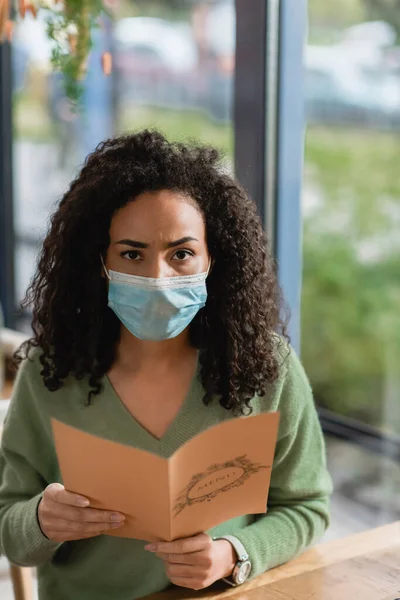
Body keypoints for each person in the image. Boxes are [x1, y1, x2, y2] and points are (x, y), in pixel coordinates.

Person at [0, 130, 332, 599]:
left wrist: (234, 553)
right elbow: (9, 529)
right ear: (100, 261)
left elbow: (308, 507)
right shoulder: (49, 373)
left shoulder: (268, 368)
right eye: (132, 254)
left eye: (181, 253)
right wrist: (40, 520)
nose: (157, 277)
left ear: (214, 258)